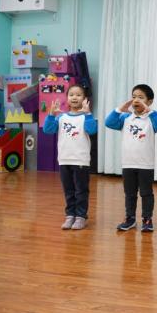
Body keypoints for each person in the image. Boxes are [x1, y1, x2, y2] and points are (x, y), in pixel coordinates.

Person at [105, 84, 157, 232]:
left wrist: (150, 111)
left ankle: (147, 219)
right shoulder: (125, 118)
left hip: (146, 164)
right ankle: (130, 218)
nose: (136, 100)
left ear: (149, 101)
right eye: (134, 97)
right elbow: (109, 122)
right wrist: (119, 109)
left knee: (146, 193)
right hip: (128, 163)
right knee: (129, 193)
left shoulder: (151, 119)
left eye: (141, 97)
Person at [43, 85, 97, 230]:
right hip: (64, 159)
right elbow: (48, 130)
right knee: (68, 190)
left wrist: (88, 114)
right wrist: (51, 115)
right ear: (67, 98)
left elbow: (92, 130)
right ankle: (70, 215)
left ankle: (81, 216)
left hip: (80, 160)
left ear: (84, 99)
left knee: (81, 190)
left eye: (78, 95)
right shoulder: (61, 117)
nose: (74, 97)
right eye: (71, 94)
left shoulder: (86, 117)